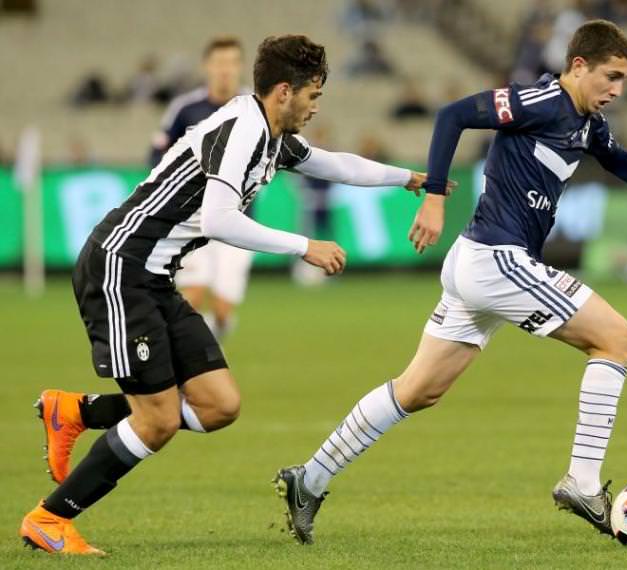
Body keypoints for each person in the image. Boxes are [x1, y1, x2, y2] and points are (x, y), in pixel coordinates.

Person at [274, 20, 627, 545]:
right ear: (578, 65)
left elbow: (618, 159)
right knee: (616, 339)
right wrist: (436, 195)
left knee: (417, 390)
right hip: (497, 259)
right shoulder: (540, 100)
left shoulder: (587, 123)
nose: (618, 89)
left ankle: (309, 479)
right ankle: (582, 484)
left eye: (624, 79)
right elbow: (453, 115)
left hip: (478, 263)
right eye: (612, 76)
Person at [19, 34, 427, 555]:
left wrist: (407, 177)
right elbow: (218, 219)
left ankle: (76, 411)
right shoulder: (241, 131)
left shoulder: (272, 134)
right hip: (120, 268)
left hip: (154, 278)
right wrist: (303, 245)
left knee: (218, 405)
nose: (316, 106)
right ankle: (50, 518)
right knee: (158, 421)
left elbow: (336, 165)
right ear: (284, 91)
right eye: (313, 95)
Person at [149, 36, 253, 340]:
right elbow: (158, 153)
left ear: (240, 66)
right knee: (190, 299)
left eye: (231, 62)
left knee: (222, 311)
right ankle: (193, 361)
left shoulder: (254, 107)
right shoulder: (186, 109)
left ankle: (208, 348)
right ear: (207, 66)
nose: (225, 70)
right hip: (192, 220)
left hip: (238, 219)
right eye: (219, 62)